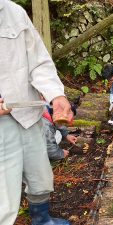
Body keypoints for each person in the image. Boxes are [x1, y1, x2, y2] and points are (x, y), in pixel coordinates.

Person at [0, 0, 72, 224]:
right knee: (5, 196)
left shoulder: (13, 12)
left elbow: (39, 62)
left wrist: (56, 95)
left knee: (40, 176)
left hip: (28, 114)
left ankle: (41, 220)